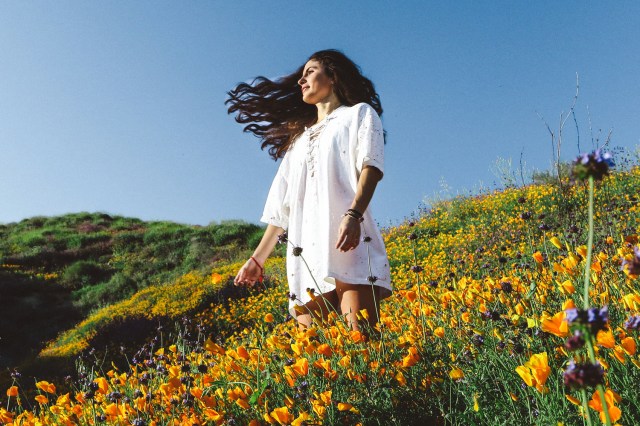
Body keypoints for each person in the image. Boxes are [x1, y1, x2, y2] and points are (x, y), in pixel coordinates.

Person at [227, 49, 392, 333]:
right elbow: (282, 209)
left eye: (310, 72)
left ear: (333, 76)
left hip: (348, 240)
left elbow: (371, 166)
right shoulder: (298, 143)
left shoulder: (359, 114)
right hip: (305, 253)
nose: (301, 81)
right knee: (314, 358)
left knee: (362, 341)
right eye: (301, 76)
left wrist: (353, 214)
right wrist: (257, 259)